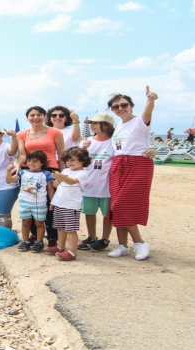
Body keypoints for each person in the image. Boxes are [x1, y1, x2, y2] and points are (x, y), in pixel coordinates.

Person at [105, 86, 158, 260]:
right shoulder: (118, 125)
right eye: (116, 106)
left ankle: (140, 242)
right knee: (115, 207)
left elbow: (148, 112)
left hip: (138, 164)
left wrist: (150, 100)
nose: (120, 108)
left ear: (131, 105)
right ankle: (122, 246)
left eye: (124, 104)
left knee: (121, 205)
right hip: (118, 165)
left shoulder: (140, 120)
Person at [17, 106, 65, 248]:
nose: (35, 117)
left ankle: (52, 237)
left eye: (39, 115)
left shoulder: (55, 132)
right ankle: (33, 236)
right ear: (27, 118)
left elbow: (61, 154)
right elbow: (22, 155)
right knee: (30, 203)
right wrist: (17, 167)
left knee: (50, 204)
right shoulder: (22, 134)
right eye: (32, 115)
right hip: (29, 171)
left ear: (45, 116)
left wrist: (62, 175)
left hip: (50, 171)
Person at [77, 113, 115, 252]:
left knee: (108, 214)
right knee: (89, 212)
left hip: (108, 184)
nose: (92, 126)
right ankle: (91, 236)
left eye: (95, 123)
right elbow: (78, 160)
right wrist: (84, 149)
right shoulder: (86, 141)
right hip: (89, 183)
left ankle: (105, 239)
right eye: (91, 123)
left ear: (106, 125)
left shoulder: (114, 142)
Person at [46, 147, 90, 261]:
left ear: (83, 160)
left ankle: (72, 252)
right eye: (68, 160)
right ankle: (60, 247)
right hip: (60, 204)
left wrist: (60, 176)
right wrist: (53, 201)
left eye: (73, 160)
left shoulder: (83, 173)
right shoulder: (65, 171)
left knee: (71, 230)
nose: (70, 162)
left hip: (71, 206)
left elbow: (71, 182)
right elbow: (57, 185)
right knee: (60, 228)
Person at [6, 150, 54, 253]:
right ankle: (26, 241)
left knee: (39, 223)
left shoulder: (46, 174)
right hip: (24, 202)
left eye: (35, 161)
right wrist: (8, 172)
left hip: (40, 203)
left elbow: (50, 189)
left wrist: (52, 202)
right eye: (29, 161)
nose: (31, 163)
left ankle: (39, 242)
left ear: (42, 162)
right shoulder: (23, 172)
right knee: (25, 222)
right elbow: (9, 180)